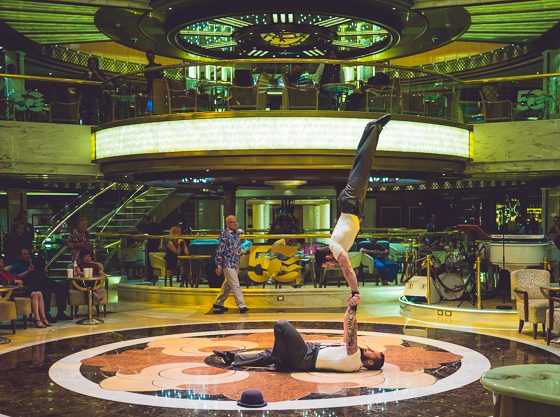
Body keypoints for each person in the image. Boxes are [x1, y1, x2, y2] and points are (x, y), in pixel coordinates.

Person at [315, 115, 391, 296]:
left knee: (363, 163)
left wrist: (355, 293)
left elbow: (348, 270)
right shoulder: (337, 247)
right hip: (353, 206)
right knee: (362, 163)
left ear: (327, 257)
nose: (331, 266)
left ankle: (374, 127)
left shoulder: (335, 249)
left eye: (327, 265)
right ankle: (373, 128)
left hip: (350, 203)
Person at [213, 294, 384, 372]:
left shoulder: (354, 360)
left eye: (372, 352)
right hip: (308, 351)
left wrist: (354, 307)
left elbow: (353, 330)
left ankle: (280, 361)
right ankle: (233, 358)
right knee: (269, 353)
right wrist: (350, 306)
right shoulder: (351, 354)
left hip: (306, 358)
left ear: (369, 362)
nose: (369, 349)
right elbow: (347, 325)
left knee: (281, 325)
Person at [212, 215, 248, 314]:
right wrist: (219, 265)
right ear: (227, 223)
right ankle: (242, 305)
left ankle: (218, 302)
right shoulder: (224, 235)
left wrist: (241, 252)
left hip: (235, 263)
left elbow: (235, 248)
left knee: (227, 285)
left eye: (236, 222)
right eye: (233, 222)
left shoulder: (236, 234)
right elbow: (220, 251)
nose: (235, 224)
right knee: (235, 284)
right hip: (227, 263)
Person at [7, 249, 52, 328]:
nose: (27, 256)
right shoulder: (16, 266)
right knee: (35, 293)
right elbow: (14, 278)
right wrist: (28, 271)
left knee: (39, 293)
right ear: (19, 256)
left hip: (29, 286)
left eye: (28, 254)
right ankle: (37, 319)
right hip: (19, 289)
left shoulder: (33, 264)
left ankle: (43, 318)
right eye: (25, 254)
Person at [136, 214, 163, 283]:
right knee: (153, 261)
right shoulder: (155, 225)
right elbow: (161, 235)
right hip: (154, 245)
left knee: (151, 262)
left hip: (152, 245)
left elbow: (138, 227)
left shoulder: (148, 226)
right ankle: (154, 277)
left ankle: (151, 277)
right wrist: (160, 245)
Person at [79, 57, 106, 125]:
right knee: (87, 111)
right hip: (87, 96)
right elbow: (80, 82)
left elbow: (104, 81)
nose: (93, 65)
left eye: (94, 63)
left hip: (97, 96)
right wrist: (87, 76)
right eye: (91, 63)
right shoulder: (86, 73)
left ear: (97, 64)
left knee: (96, 112)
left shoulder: (100, 72)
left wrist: (96, 73)